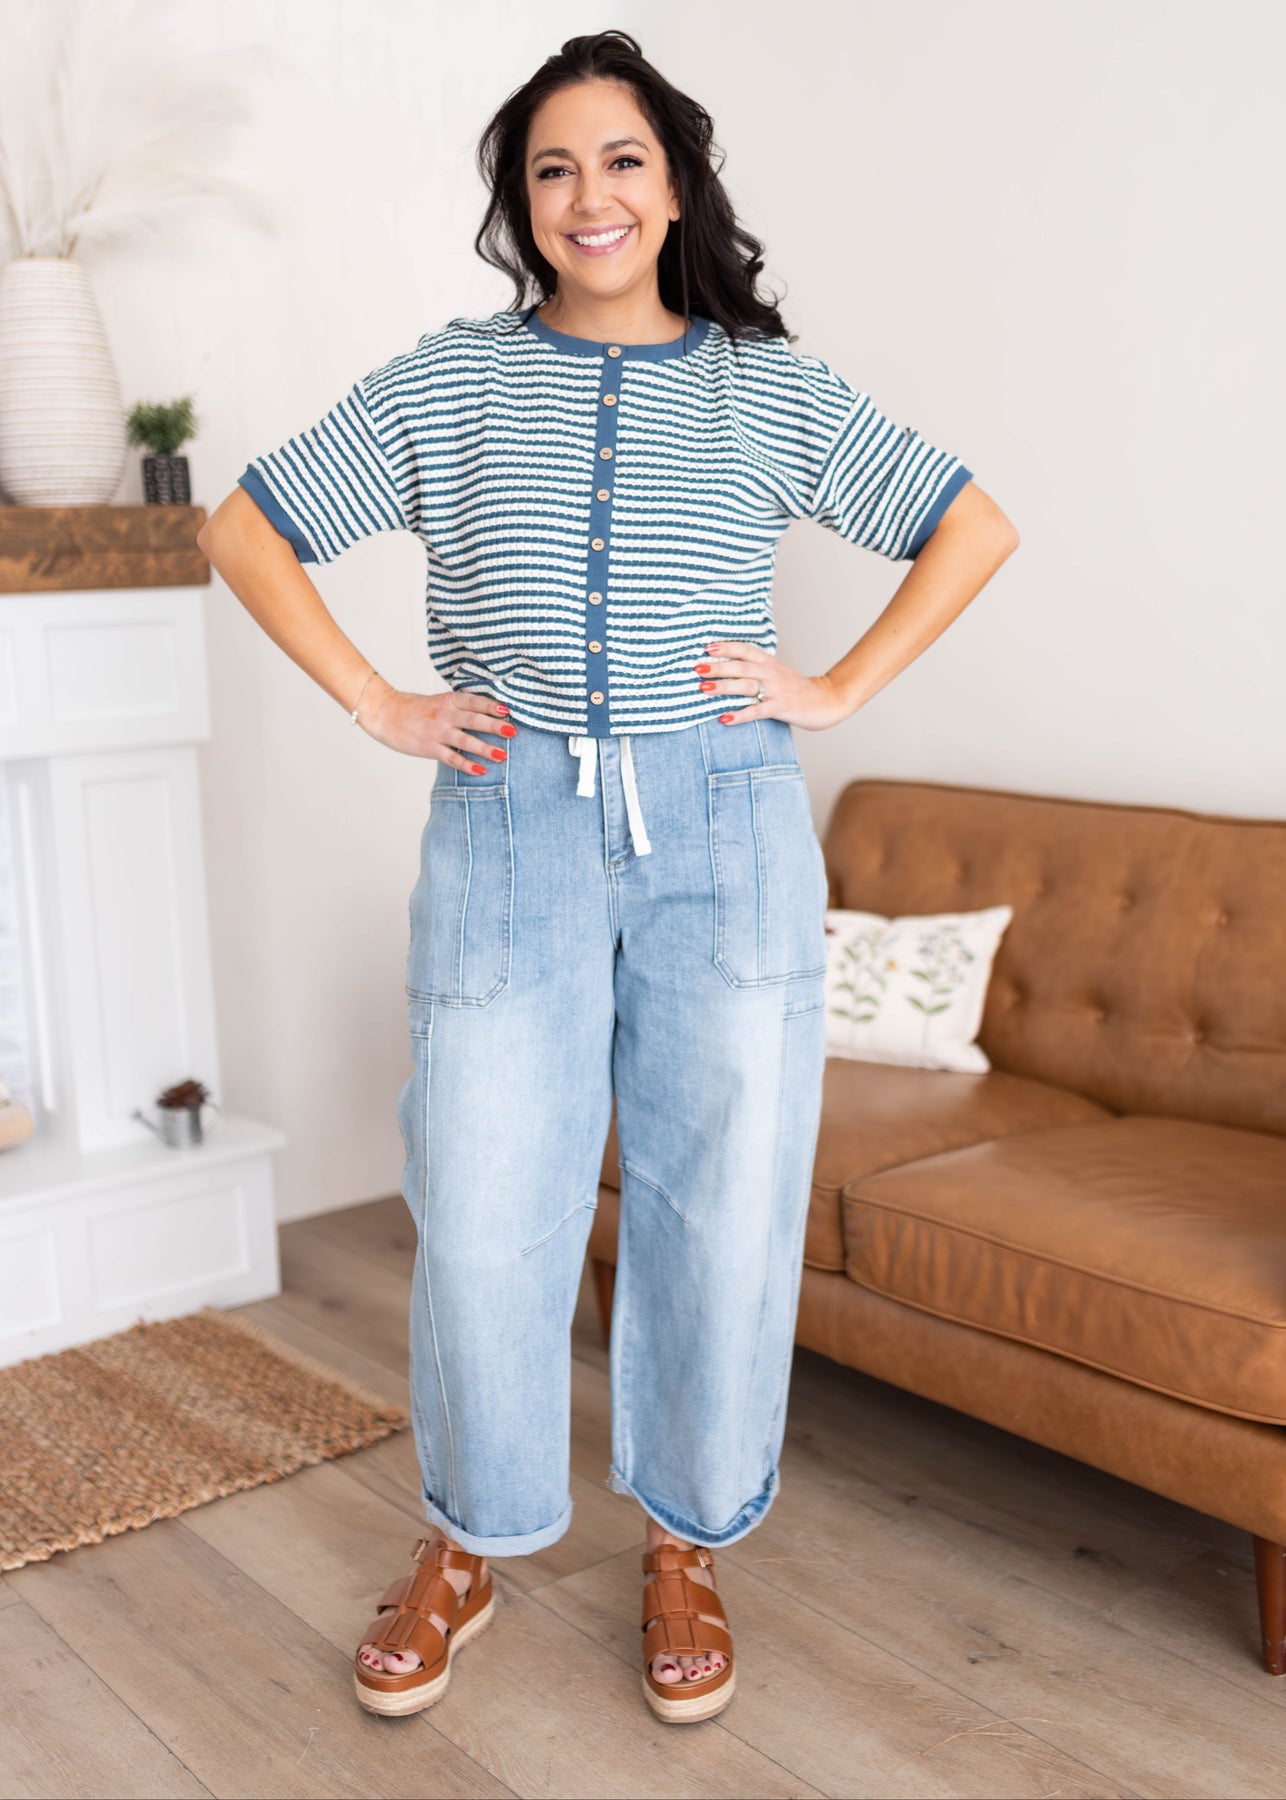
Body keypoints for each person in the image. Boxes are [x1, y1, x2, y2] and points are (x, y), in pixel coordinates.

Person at [198, 28, 1019, 1726]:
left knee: (721, 1199)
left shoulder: (765, 388)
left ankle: (683, 1543)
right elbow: (244, 528)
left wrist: (834, 688)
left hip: (724, 823)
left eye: (622, 160)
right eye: (553, 166)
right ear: (522, 200)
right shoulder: (447, 382)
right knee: (483, 1200)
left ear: (675, 186)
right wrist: (378, 701)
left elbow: (971, 525)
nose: (590, 195)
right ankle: (467, 1538)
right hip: (507, 825)